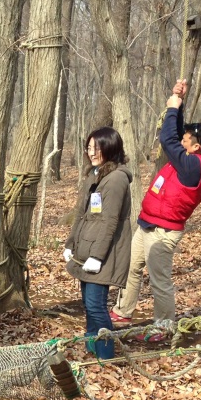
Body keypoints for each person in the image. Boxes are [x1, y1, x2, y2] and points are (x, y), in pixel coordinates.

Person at [112, 79, 201, 337]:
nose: (182, 142)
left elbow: (168, 138)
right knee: (132, 267)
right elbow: (178, 133)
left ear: (197, 148)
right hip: (148, 222)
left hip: (164, 231)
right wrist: (177, 101)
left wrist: (171, 109)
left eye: (187, 141)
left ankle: (163, 325)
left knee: (159, 280)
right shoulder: (189, 156)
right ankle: (123, 311)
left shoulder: (194, 167)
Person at [64, 128, 133, 360]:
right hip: (86, 247)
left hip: (104, 252)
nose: (91, 152)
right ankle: (92, 345)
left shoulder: (116, 179)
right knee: (88, 303)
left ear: (110, 148)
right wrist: (70, 244)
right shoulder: (96, 175)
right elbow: (83, 215)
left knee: (96, 305)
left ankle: (106, 355)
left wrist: (97, 256)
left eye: (97, 147)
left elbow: (109, 221)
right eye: (89, 147)